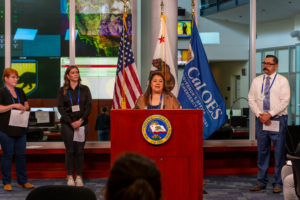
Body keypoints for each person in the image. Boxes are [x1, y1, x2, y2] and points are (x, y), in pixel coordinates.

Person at [248, 55, 290, 193]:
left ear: (276, 66)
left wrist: (269, 114)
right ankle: (261, 181)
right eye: (264, 63)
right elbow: (251, 99)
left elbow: (285, 101)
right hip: (261, 121)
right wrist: (260, 114)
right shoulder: (256, 81)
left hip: (277, 120)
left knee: (278, 153)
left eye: (269, 64)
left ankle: (278, 183)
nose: (265, 66)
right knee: (262, 151)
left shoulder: (282, 81)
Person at [57, 65, 92, 187]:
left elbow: (89, 106)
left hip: (82, 124)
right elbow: (61, 108)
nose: (76, 74)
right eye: (73, 72)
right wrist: (71, 122)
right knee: (70, 151)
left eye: (77, 72)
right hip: (68, 125)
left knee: (79, 151)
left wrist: (81, 120)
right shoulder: (62, 91)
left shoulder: (85, 89)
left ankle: (79, 177)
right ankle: (70, 177)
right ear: (68, 75)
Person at [0, 68, 34, 191]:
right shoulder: (2, 92)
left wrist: (25, 107)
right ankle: (6, 182)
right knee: (7, 156)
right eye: (13, 77)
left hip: (20, 128)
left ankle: (23, 181)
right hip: (6, 130)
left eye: (17, 77)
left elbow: (26, 103)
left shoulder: (20, 91)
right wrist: (13, 105)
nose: (16, 79)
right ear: (6, 78)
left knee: (21, 156)